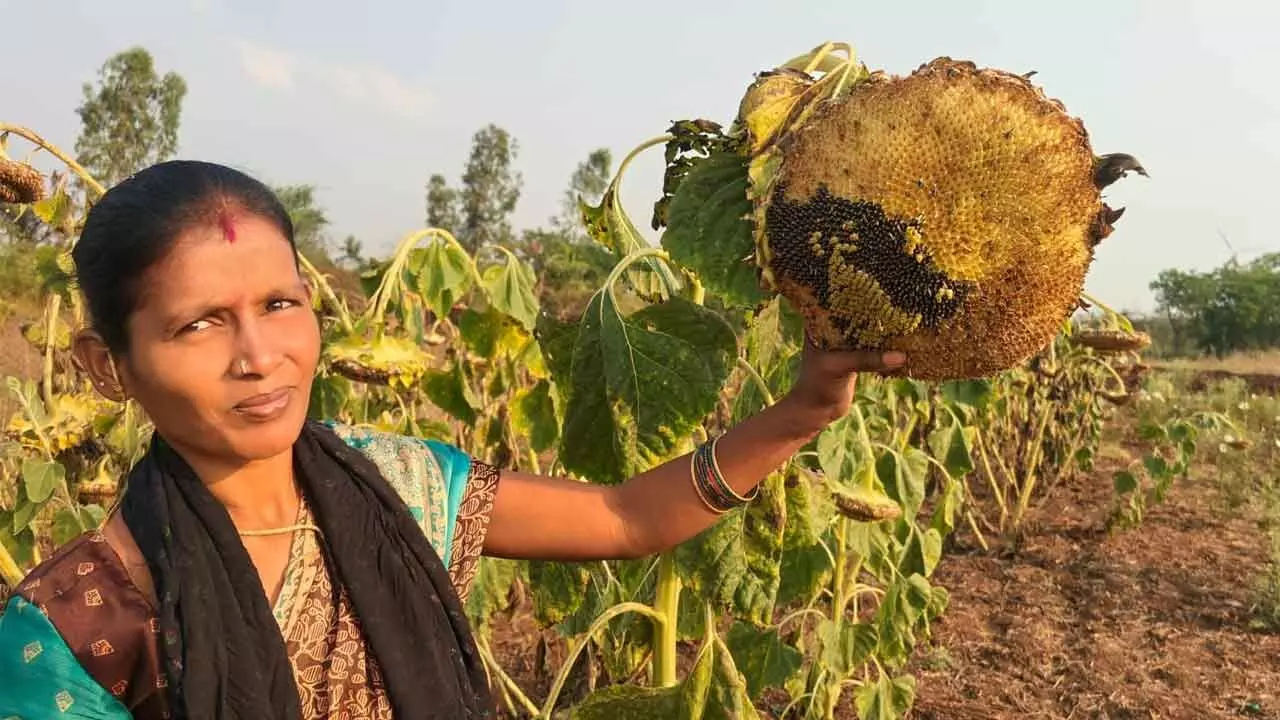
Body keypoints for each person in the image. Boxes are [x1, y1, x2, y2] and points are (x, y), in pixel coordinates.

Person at [0, 160, 905, 719]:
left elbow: (628, 519)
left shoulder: (398, 485)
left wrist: (801, 412)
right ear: (104, 363)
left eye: (280, 304)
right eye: (199, 324)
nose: (259, 356)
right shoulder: (77, 625)